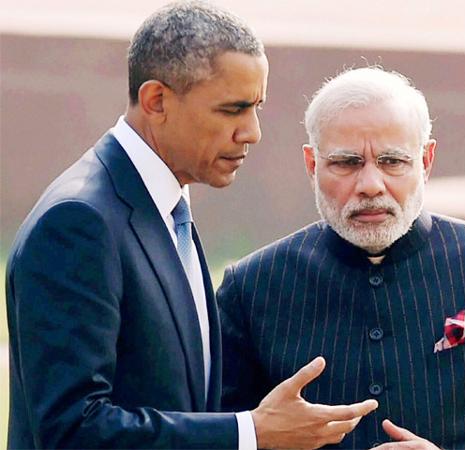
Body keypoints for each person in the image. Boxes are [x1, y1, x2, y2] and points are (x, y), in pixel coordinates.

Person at [5, 3, 378, 449]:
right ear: (156, 101)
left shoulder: (165, 203)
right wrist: (250, 432)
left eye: (256, 107)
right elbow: (71, 431)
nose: (252, 132)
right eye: (232, 109)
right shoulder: (77, 223)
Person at [218, 67, 465, 449]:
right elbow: (218, 435)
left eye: (392, 161)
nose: (370, 185)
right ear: (312, 165)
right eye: (347, 162)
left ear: (426, 160)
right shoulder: (251, 287)